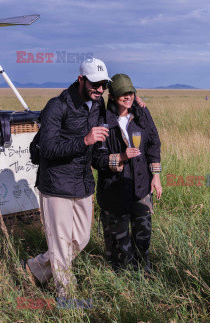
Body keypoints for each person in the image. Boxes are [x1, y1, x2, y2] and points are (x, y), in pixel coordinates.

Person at [21, 58, 111, 297]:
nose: (100, 90)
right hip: (56, 184)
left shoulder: (98, 104)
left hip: (82, 183)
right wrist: (85, 141)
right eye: (95, 84)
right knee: (61, 246)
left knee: (80, 239)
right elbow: (48, 149)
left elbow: (125, 103)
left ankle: (34, 268)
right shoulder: (56, 106)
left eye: (104, 85)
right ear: (81, 79)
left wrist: (137, 102)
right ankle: (66, 297)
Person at [92, 74, 162, 274]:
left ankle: (144, 278)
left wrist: (155, 175)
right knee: (118, 247)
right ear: (113, 96)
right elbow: (97, 158)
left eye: (130, 92)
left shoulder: (142, 115)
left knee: (143, 240)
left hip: (140, 188)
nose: (127, 97)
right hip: (114, 193)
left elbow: (154, 144)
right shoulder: (103, 120)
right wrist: (121, 157)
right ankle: (122, 285)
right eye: (122, 93)